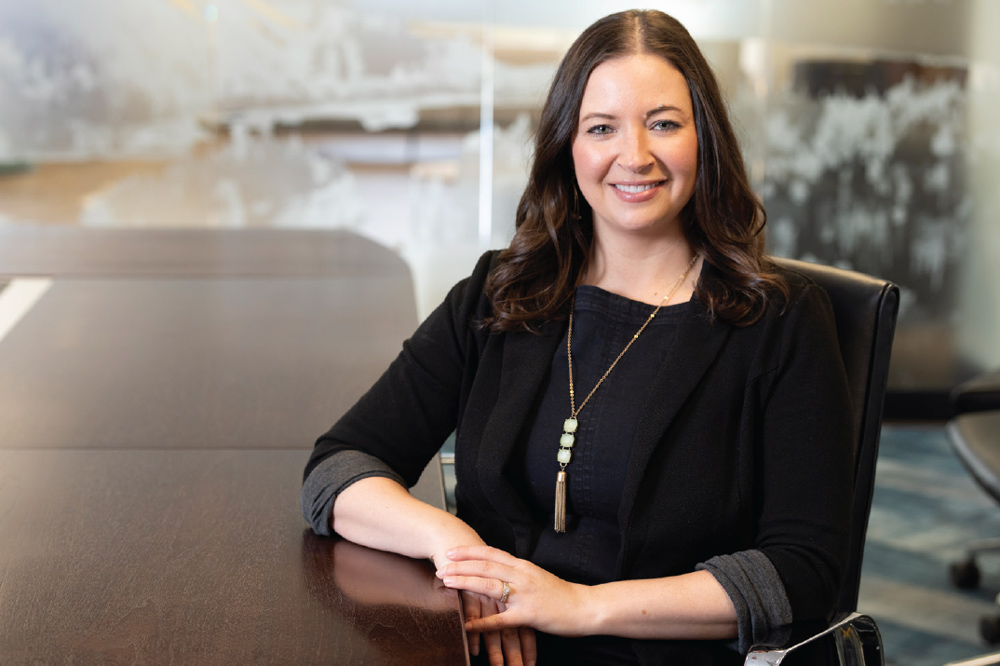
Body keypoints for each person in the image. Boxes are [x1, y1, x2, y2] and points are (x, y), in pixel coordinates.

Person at [301, 8, 853, 666]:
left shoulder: (779, 323)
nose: (635, 155)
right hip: (500, 644)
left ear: (704, 139)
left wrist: (579, 606)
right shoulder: (502, 293)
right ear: (568, 144)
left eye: (665, 124)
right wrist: (464, 555)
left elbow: (804, 572)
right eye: (602, 128)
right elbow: (337, 472)